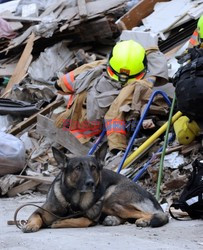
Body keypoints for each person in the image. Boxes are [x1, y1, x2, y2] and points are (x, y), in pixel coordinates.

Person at [54, 39, 168, 156]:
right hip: (85, 132)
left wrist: (59, 84)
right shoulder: (133, 82)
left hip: (76, 126)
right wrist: (117, 147)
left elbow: (67, 81)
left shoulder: (102, 66)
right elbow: (114, 115)